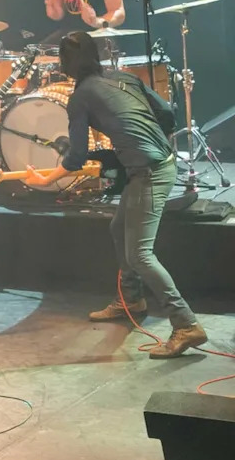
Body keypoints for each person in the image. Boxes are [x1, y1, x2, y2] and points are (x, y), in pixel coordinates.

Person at [25, 31, 207, 358]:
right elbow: (167, 113)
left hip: (149, 173)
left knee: (140, 253)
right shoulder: (125, 78)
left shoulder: (80, 96)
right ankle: (130, 300)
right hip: (158, 164)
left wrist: (46, 178)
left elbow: (77, 156)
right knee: (118, 229)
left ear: (66, 64)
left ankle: (185, 324)